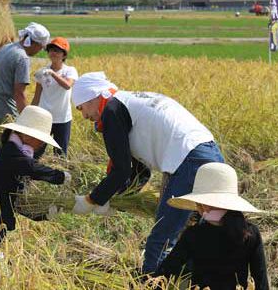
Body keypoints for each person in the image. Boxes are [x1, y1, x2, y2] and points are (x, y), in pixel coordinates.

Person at [70, 72, 224, 274]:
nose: (84, 116)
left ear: (92, 96)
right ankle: (192, 280)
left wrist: (91, 200)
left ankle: (151, 282)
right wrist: (117, 199)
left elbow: (121, 170)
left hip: (188, 161)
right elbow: (140, 172)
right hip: (208, 154)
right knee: (199, 232)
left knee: (160, 239)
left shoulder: (112, 110)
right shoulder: (127, 103)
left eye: (81, 108)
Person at [154, 163, 269, 290]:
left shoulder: (194, 234)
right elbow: (261, 280)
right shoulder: (249, 233)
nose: (201, 208)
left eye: (203, 203)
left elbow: (166, 271)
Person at [0, 106, 71, 242]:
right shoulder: (11, 152)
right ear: (27, 135)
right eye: (41, 139)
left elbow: (19, 201)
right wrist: (61, 177)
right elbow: (31, 168)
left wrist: (44, 215)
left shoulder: (19, 150)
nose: (42, 144)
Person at [0, 22, 50, 155]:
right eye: (41, 47)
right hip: (3, 110)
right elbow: (19, 94)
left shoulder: (7, 48)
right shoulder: (22, 58)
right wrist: (26, 119)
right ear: (35, 44)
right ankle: (1, 175)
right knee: (8, 152)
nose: (40, 50)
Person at [32, 37, 79, 156]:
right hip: (44, 118)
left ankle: (60, 174)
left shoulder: (70, 71)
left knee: (60, 153)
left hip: (62, 118)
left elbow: (68, 85)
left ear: (64, 55)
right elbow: (37, 96)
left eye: (57, 51)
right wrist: (31, 112)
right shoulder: (42, 72)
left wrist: (53, 74)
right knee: (36, 151)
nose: (53, 53)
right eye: (51, 50)